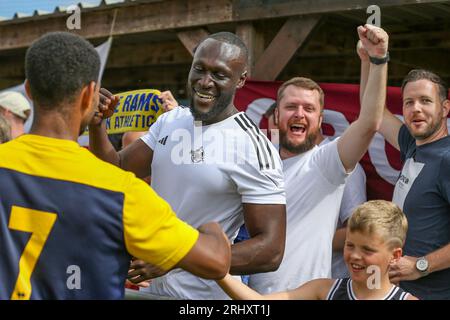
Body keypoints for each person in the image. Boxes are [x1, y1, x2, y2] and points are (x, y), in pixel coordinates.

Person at [0, 32, 231, 300]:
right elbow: (216, 261)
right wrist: (211, 225)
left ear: (28, 90)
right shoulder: (121, 192)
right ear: (89, 94)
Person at [88, 32, 286, 299]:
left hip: (206, 299)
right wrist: (97, 124)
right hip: (155, 292)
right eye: (199, 69)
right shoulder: (170, 121)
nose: (205, 82)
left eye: (219, 74)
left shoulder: (252, 146)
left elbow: (270, 250)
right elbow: (115, 168)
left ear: (241, 80)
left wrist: (176, 256)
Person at [248, 24, 388, 294]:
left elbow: (369, 122)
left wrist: (378, 60)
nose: (300, 114)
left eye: (309, 109)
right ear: (276, 116)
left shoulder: (325, 165)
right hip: (245, 295)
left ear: (320, 120)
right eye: (291, 107)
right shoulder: (254, 164)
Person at [362, 60, 450, 297]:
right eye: (409, 102)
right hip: (400, 291)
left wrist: (421, 265)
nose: (416, 108)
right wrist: (369, 60)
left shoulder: (447, 158)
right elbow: (374, 110)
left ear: (445, 108)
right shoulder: (413, 144)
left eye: (425, 101)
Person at [218, 200, 417, 300]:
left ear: (395, 255)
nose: (355, 255)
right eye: (349, 245)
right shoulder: (324, 289)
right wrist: (218, 270)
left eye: (367, 250)